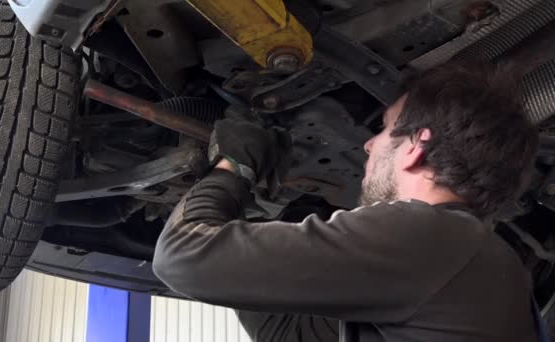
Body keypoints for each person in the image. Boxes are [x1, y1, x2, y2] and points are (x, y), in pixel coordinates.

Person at [152, 62, 540, 341]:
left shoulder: (431, 237)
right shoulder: (474, 263)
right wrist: (263, 229)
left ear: (416, 147)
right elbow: (285, 333)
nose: (369, 144)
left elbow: (183, 255)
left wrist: (235, 167)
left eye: (385, 129)